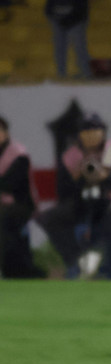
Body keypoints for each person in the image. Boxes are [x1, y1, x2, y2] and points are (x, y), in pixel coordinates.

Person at [37, 114, 111, 279]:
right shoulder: (72, 155)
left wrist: (103, 176)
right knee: (50, 218)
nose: (92, 135)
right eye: (87, 131)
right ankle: (75, 261)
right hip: (81, 202)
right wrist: (79, 176)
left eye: (96, 130)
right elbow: (63, 189)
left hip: (108, 200)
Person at [0, 116, 46, 279]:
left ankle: (9, 268)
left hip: (22, 204)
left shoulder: (18, 154)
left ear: (5, 133)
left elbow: (10, 184)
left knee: (4, 219)